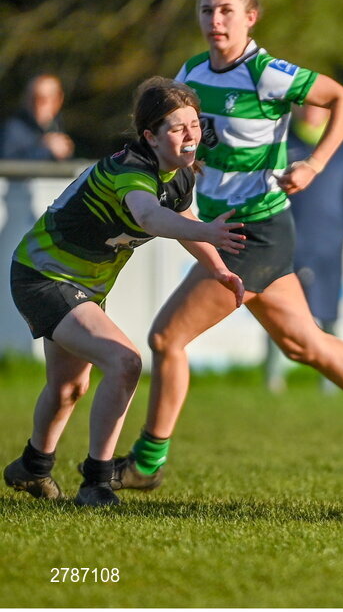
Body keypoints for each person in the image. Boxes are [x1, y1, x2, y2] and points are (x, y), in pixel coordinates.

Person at [110, 0, 343, 496]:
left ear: (250, 18)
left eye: (225, 11)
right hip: (229, 229)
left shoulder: (266, 73)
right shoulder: (192, 71)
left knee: (166, 338)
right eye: (206, 11)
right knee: (304, 344)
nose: (215, 21)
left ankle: (148, 463)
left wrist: (313, 165)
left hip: (256, 232)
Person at [3, 77, 245, 507]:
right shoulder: (131, 169)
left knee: (68, 388)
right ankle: (96, 481)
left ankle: (32, 468)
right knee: (125, 361)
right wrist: (208, 229)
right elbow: (151, 217)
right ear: (150, 136)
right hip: (42, 275)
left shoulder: (179, 175)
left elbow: (182, 218)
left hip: (81, 283)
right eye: (176, 128)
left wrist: (220, 269)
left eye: (194, 124)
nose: (190, 135)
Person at [263, 103, 343, 394]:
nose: (312, 112)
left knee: (327, 313)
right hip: (285, 242)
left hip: (327, 246)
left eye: (319, 107)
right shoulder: (280, 147)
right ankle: (272, 378)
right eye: (306, 106)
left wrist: (342, 229)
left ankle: (330, 380)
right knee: (276, 311)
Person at [1, 74, 75, 161]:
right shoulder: (12, 130)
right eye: (34, 98)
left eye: (44, 99)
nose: (37, 104)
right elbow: (8, 167)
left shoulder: (59, 126)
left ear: (59, 100)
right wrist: (45, 150)